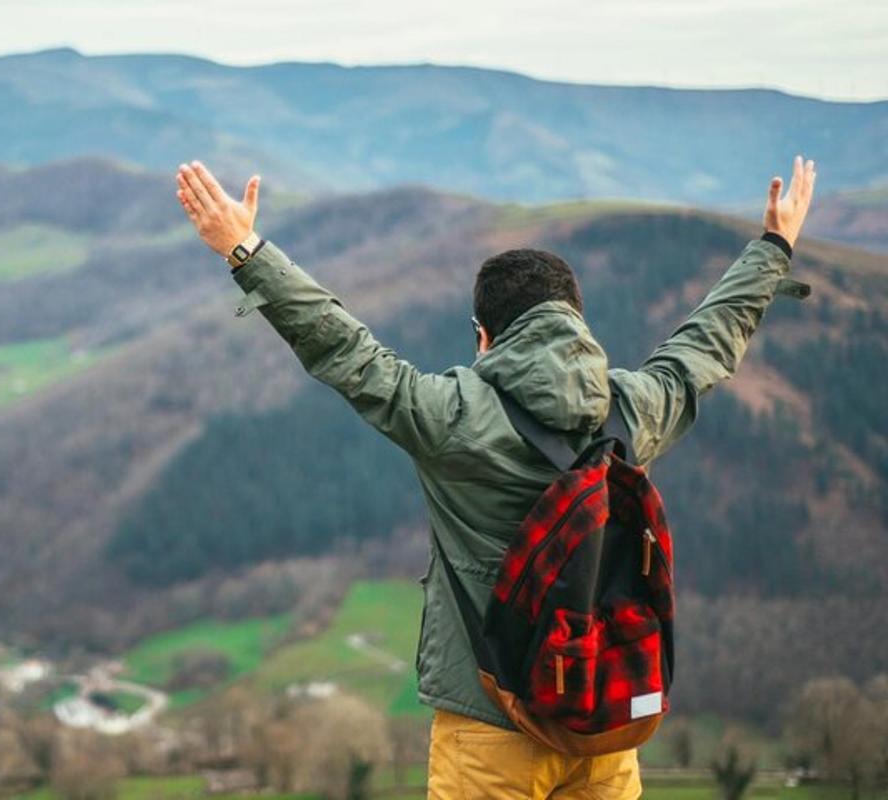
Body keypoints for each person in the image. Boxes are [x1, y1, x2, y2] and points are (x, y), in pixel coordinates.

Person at [174, 155, 815, 798]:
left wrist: (244, 249)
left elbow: (345, 349)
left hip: (490, 727)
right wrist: (774, 247)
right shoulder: (630, 411)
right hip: (601, 725)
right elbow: (706, 345)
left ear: (484, 337)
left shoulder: (452, 416)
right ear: (576, 324)